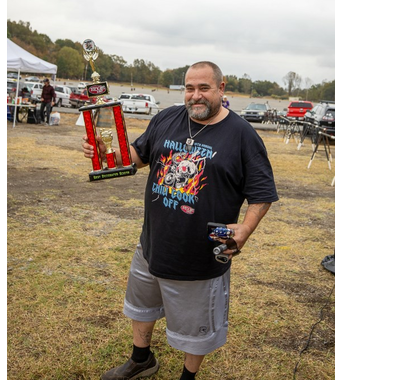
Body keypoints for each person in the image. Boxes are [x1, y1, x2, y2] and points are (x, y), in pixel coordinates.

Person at [82, 61, 278, 380]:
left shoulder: (242, 135)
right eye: (189, 88)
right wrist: (106, 153)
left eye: (204, 88)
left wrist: (245, 229)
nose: (195, 96)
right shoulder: (168, 118)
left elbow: (262, 193)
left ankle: (189, 376)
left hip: (201, 254)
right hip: (154, 243)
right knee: (142, 304)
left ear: (221, 88)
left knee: (196, 324)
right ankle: (141, 359)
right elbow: (136, 158)